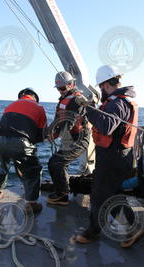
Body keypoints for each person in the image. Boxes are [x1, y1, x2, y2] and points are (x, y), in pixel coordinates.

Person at [74, 65, 142, 247]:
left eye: (100, 87)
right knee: (113, 194)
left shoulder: (117, 103)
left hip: (113, 159)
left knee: (98, 195)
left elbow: (106, 126)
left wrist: (87, 108)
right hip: (120, 157)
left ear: (104, 85)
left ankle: (93, 232)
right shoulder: (121, 101)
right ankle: (133, 228)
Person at [0, 88, 47, 213]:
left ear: (21, 97)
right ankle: (31, 203)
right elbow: (41, 135)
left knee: (2, 164)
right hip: (21, 142)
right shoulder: (39, 107)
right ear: (34, 98)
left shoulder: (10, 106)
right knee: (32, 170)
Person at [46, 71, 90, 205]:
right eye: (58, 88)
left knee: (55, 162)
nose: (60, 91)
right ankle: (63, 191)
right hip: (70, 139)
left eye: (63, 88)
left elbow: (68, 122)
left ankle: (63, 194)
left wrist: (55, 134)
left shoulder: (76, 100)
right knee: (58, 163)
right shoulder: (65, 98)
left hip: (79, 140)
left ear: (71, 84)